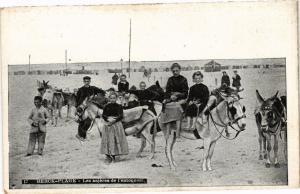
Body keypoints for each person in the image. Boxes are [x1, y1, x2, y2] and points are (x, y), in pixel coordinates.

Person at [101, 92, 129, 164]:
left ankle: (114, 155)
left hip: (116, 124)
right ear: (109, 98)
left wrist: (114, 120)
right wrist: (108, 120)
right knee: (108, 139)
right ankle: (108, 155)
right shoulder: (106, 106)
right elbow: (104, 115)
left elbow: (121, 116)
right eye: (111, 98)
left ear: (116, 98)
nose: (112, 99)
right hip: (108, 124)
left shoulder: (119, 106)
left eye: (114, 98)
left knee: (115, 139)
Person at [162, 63, 189, 137]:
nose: (175, 72)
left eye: (177, 70)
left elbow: (185, 93)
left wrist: (177, 95)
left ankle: (177, 133)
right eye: (173, 71)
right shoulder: (170, 79)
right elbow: (167, 91)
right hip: (171, 98)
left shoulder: (183, 79)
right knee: (166, 106)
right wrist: (170, 96)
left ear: (180, 70)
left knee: (177, 107)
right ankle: (167, 131)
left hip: (181, 99)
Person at [76, 76, 106, 142]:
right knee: (84, 121)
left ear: (90, 81)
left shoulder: (93, 88)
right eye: (85, 81)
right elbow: (77, 100)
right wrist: (79, 108)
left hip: (92, 106)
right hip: (83, 107)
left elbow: (101, 91)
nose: (87, 82)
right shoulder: (80, 90)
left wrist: (102, 93)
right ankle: (81, 135)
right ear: (83, 82)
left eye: (88, 81)